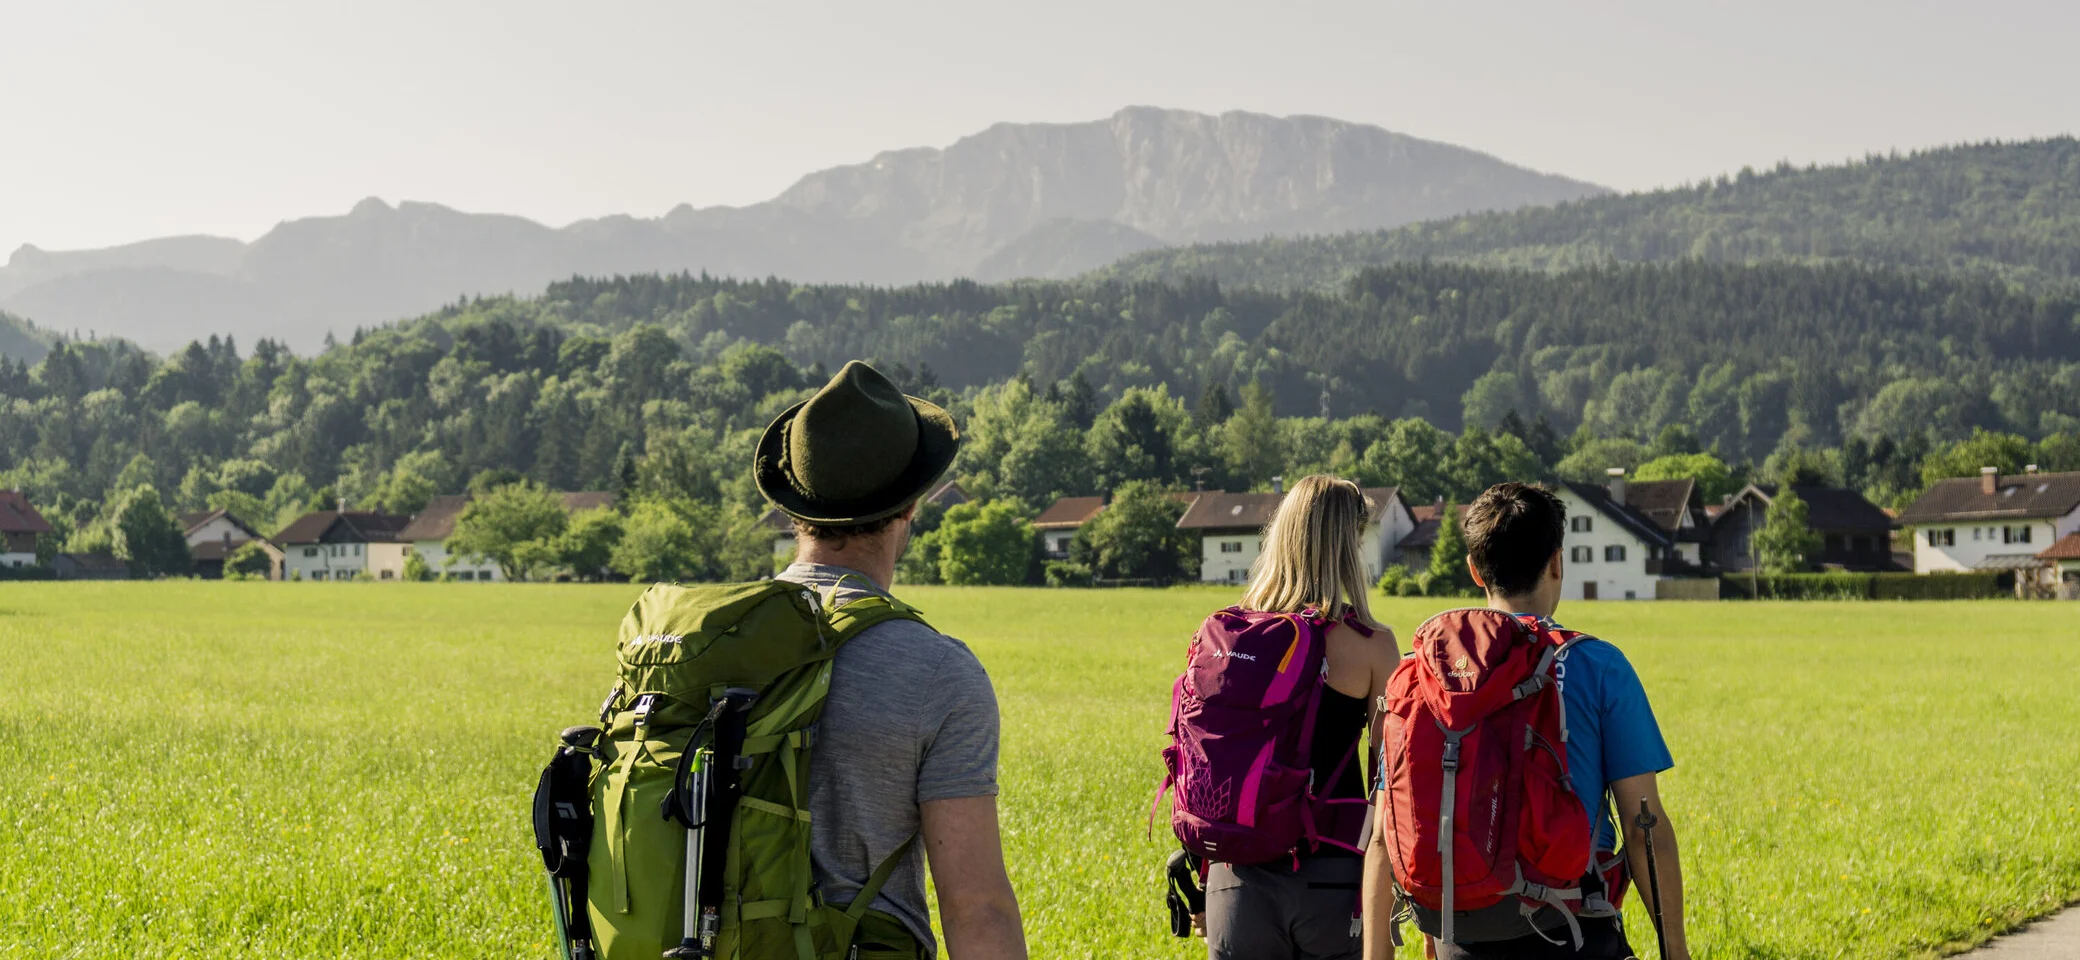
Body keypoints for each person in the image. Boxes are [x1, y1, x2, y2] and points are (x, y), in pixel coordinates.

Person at [756, 360, 1027, 960]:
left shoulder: (703, 643)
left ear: (794, 509)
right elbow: (976, 908)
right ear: (910, 507)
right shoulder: (938, 673)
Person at [1371, 481, 1687, 960]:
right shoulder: (1598, 665)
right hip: (1573, 929)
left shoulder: (1426, 674)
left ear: (1475, 571)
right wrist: (1675, 950)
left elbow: (1385, 833)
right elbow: (1645, 824)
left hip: (1461, 934)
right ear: (1557, 562)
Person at [1201, 475, 1404, 960]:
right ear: (1348, 546)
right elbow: (1392, 785)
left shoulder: (1227, 638)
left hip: (1236, 873)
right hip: (1331, 871)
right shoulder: (1373, 645)